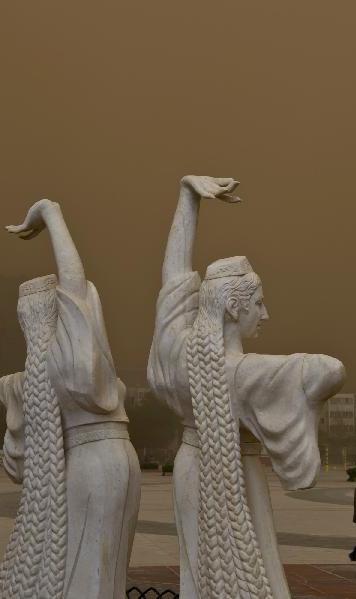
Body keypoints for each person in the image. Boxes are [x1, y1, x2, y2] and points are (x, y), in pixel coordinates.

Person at [147, 175, 345, 598]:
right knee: (254, 570)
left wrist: (187, 197)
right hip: (236, 472)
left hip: (190, 467)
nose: (265, 314)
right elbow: (331, 370)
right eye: (259, 303)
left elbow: (174, 277)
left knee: (199, 577)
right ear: (234, 306)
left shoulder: (179, 356)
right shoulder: (247, 373)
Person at [0, 199, 141, 599]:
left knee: (98, 572)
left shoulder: (29, 380)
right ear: (56, 312)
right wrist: (51, 214)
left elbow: (17, 464)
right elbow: (74, 281)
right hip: (99, 465)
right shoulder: (62, 361)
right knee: (94, 576)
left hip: (103, 465)